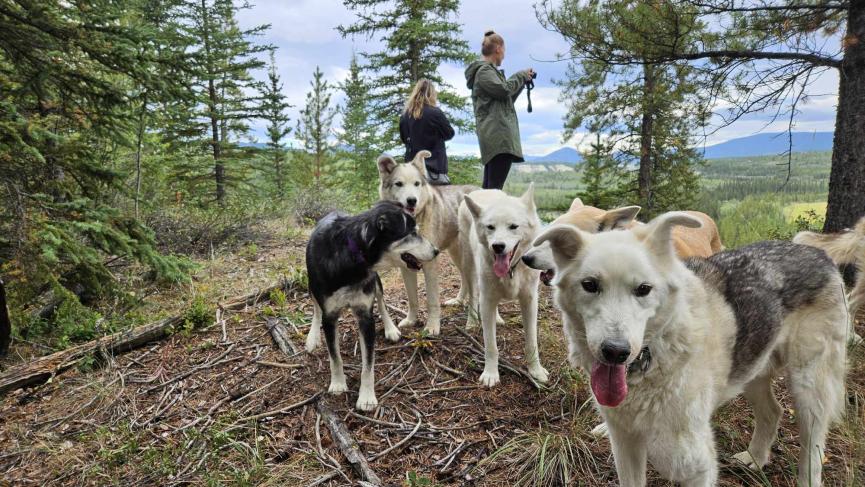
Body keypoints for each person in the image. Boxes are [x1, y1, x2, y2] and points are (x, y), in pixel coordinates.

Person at [464, 30, 534, 189]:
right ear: (498, 49)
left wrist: (522, 82)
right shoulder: (485, 71)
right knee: (494, 189)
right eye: (504, 51)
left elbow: (505, 98)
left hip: (496, 136)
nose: (504, 55)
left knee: (490, 187)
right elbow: (503, 91)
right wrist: (520, 75)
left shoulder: (488, 72)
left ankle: (482, 213)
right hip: (497, 136)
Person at [399, 79, 455, 185]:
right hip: (435, 170)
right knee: (438, 200)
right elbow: (449, 133)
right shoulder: (435, 113)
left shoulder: (405, 115)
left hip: (412, 170)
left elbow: (404, 138)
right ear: (432, 94)